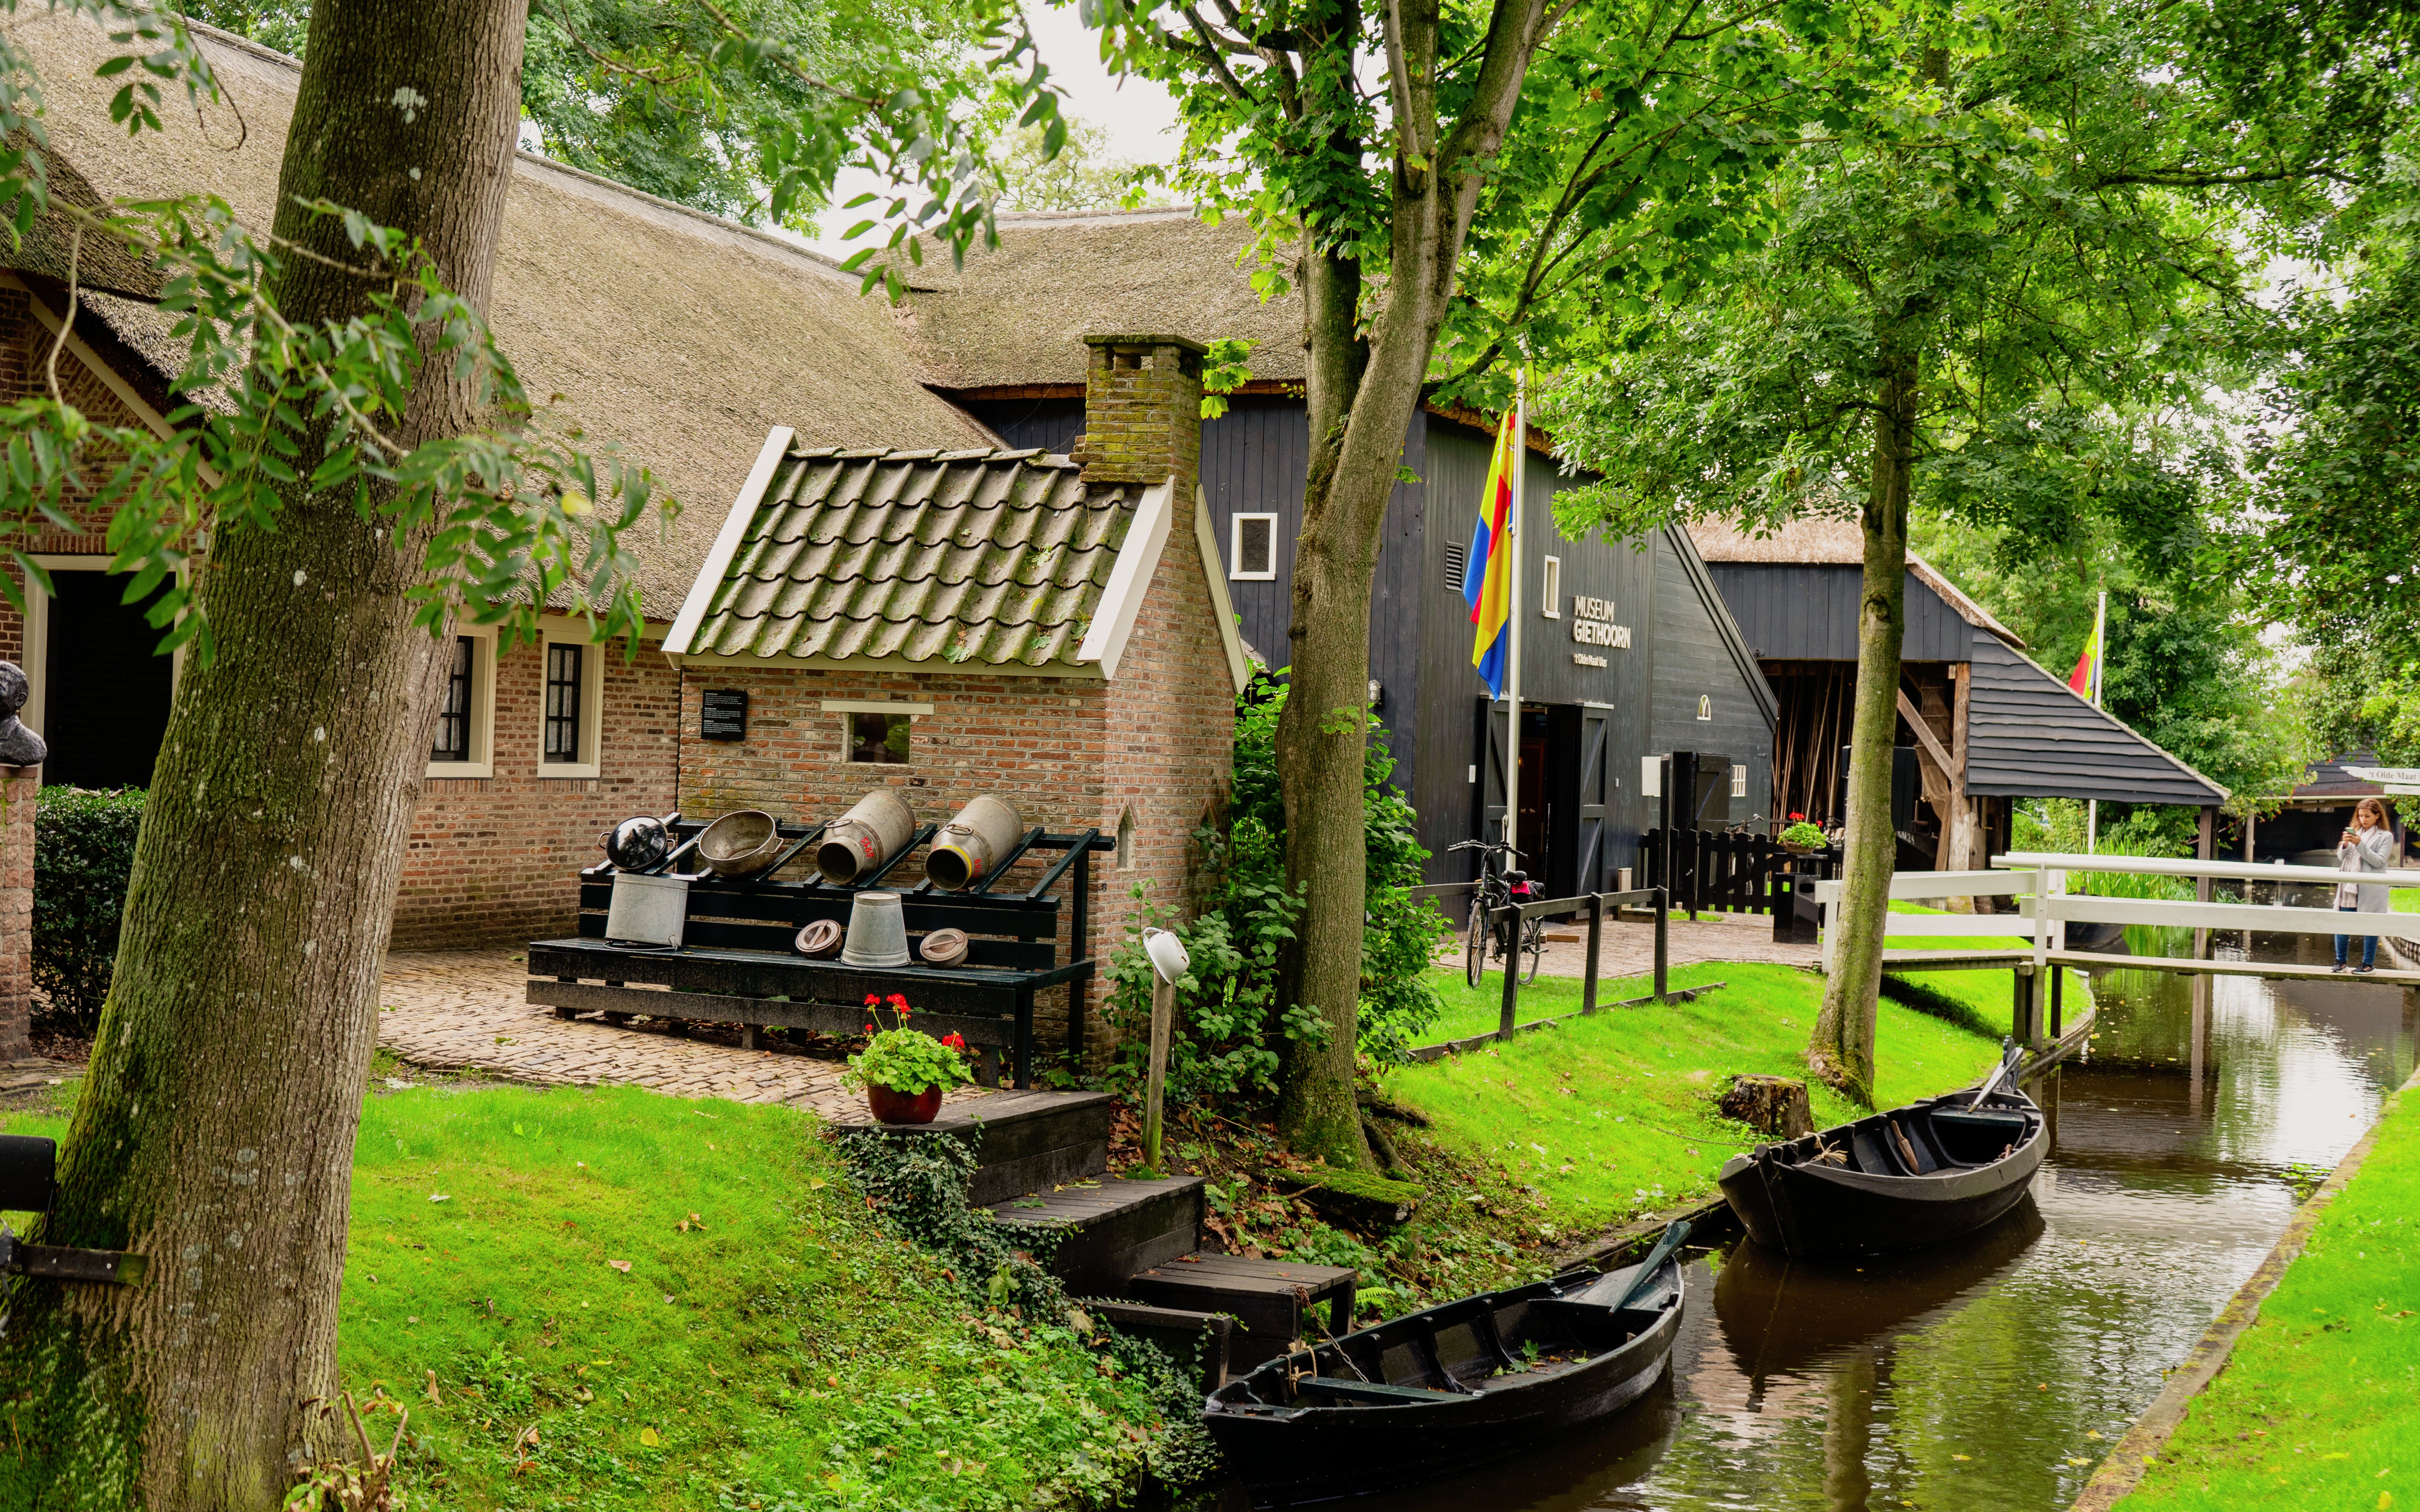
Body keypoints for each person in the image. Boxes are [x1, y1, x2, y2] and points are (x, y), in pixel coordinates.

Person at [2333, 796, 2398, 974]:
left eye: (2368, 816)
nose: (2363, 819)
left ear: (2378, 816)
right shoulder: (2355, 831)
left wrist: (2360, 844)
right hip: (2349, 887)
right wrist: (2346, 844)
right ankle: (2341, 961)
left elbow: (2379, 861)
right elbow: (2341, 857)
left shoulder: (2386, 836)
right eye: (2361, 816)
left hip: (2370, 889)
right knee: (2342, 922)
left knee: (2370, 925)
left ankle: (2368, 964)